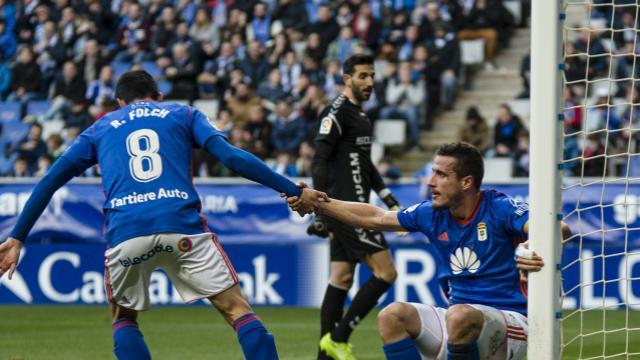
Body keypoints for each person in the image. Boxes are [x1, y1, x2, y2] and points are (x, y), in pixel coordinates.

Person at [0, 70, 325, 360]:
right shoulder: (183, 113)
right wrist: (294, 190)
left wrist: (17, 237)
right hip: (182, 226)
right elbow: (232, 157)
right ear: (158, 96)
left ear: (118, 101)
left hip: (126, 232)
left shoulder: (99, 128)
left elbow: (49, 181)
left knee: (124, 319)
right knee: (237, 310)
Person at [291, 142, 569, 360]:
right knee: (392, 315)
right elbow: (376, 217)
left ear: (466, 182)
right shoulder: (431, 214)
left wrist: (533, 244)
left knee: (459, 315)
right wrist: (319, 204)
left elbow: (560, 228)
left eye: (441, 175)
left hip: (513, 324)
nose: (430, 182)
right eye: (431, 173)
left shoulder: (499, 207)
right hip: (459, 323)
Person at [309, 54, 402, 360]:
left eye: (372, 75)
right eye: (362, 76)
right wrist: (321, 206)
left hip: (358, 206)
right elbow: (319, 158)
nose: (370, 82)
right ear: (346, 78)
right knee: (386, 272)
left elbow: (365, 165)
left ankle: (326, 355)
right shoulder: (336, 111)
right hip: (349, 210)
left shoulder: (361, 116)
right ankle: (339, 338)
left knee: (341, 277)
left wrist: (388, 198)